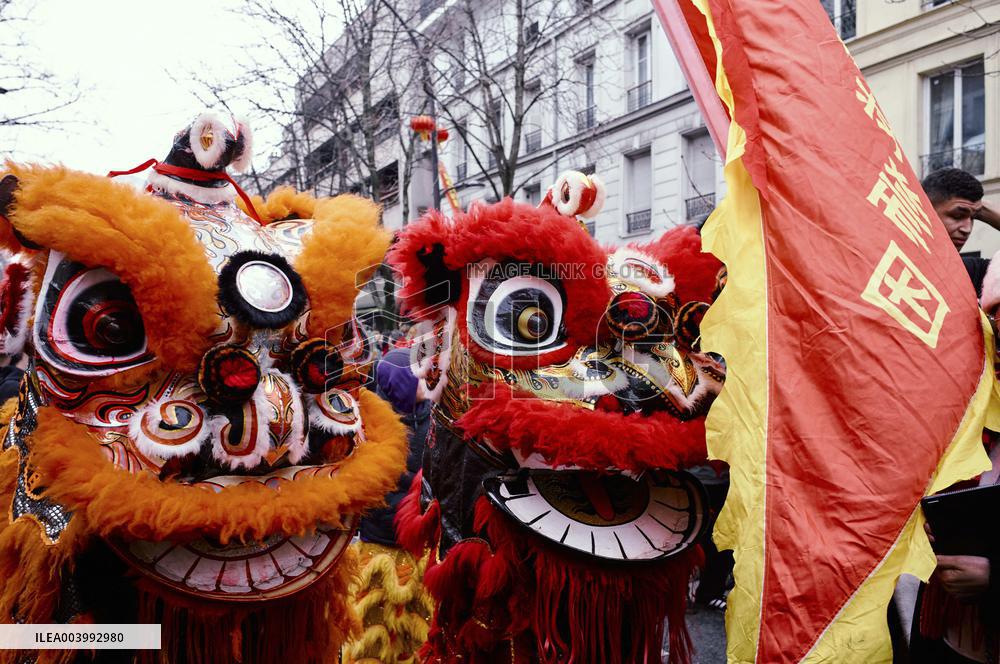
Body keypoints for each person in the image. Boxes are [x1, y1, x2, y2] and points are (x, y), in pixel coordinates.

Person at [922, 168, 1000, 295]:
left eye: (973, 218)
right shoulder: (885, 260)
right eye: (957, 216)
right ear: (924, 209)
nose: (967, 229)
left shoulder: (969, 272)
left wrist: (981, 208)